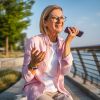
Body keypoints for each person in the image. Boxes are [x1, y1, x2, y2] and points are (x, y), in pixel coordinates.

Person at [22, 5, 79, 100]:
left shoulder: (62, 43)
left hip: (57, 90)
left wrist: (68, 42)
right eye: (54, 18)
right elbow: (26, 77)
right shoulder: (34, 41)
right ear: (45, 22)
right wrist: (33, 63)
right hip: (38, 90)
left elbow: (66, 71)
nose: (60, 21)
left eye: (61, 18)